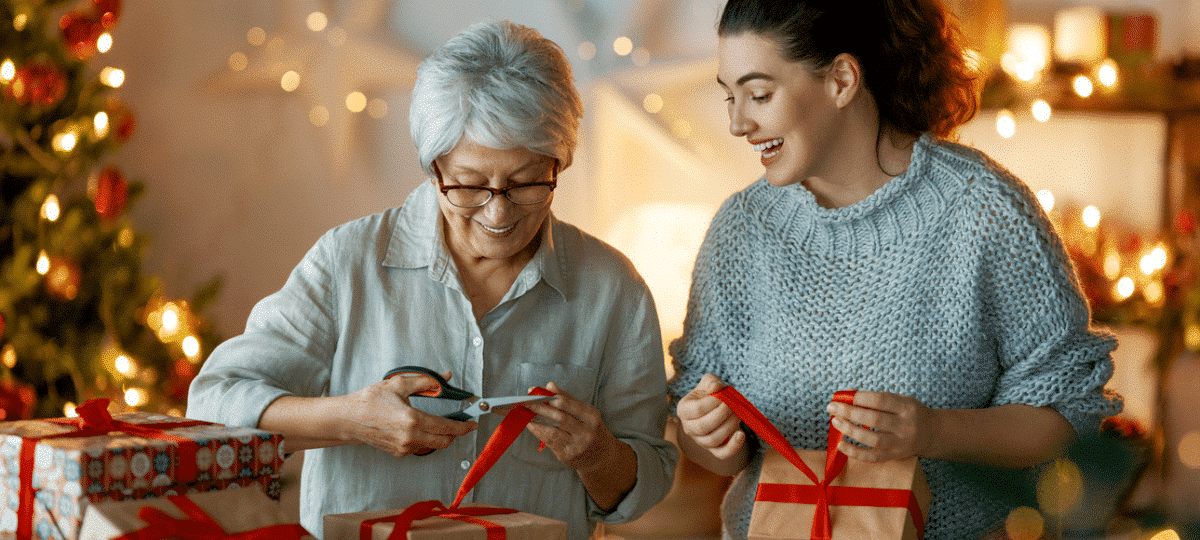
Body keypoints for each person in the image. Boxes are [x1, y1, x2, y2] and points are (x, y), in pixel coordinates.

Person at [188, 20, 676, 540]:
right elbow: (213, 405)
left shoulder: (613, 289)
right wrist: (351, 418)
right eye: (469, 185)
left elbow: (647, 483)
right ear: (432, 167)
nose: (498, 213)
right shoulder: (348, 262)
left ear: (560, 162)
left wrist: (599, 456)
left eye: (526, 182)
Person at [668, 1, 1122, 538]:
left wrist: (933, 431)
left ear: (842, 80)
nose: (737, 123)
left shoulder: (984, 211)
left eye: (759, 95)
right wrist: (708, 435)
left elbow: (1066, 417)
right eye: (730, 96)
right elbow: (708, 445)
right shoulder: (741, 230)